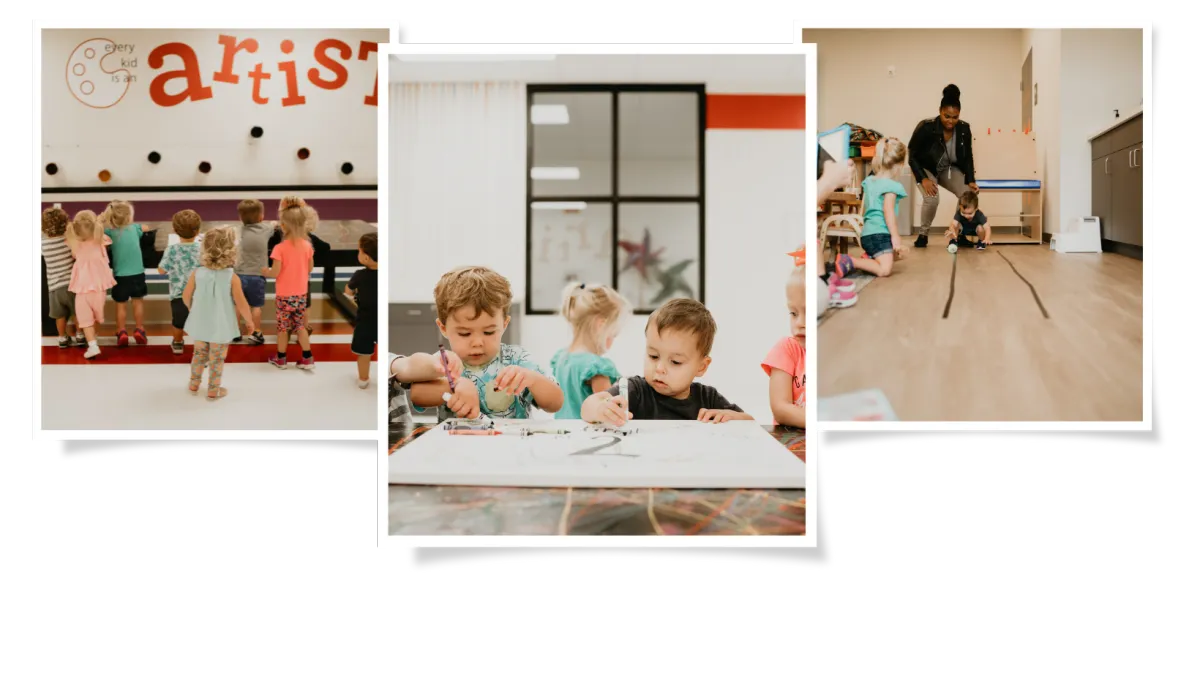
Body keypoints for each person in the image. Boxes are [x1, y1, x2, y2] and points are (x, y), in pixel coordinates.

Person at [409, 266, 564, 421]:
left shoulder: (516, 359)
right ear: (443, 328)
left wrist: (533, 380)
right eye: (465, 333)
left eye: (489, 332)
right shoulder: (444, 362)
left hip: (510, 444)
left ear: (504, 324)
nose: (477, 342)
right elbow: (417, 395)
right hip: (456, 444)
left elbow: (555, 403)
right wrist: (455, 385)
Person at [580, 298, 753, 425]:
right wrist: (599, 409)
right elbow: (587, 407)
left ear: (701, 366)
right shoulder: (636, 390)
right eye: (653, 356)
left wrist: (732, 417)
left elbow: (750, 423)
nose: (660, 368)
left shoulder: (708, 398)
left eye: (675, 362)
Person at [182, 227, 255, 400]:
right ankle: (214, 389)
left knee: (199, 354)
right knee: (216, 358)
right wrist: (249, 321)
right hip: (221, 325)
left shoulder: (197, 273)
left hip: (200, 321)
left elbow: (185, 296)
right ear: (232, 252)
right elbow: (241, 303)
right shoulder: (231, 277)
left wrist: (193, 310)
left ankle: (194, 384)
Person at [907, 84, 979, 248]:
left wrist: (971, 179)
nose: (950, 121)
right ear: (940, 111)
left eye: (955, 117)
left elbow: (968, 157)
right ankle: (923, 235)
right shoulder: (926, 127)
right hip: (926, 167)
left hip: (948, 168)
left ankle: (958, 234)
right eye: (947, 116)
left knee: (967, 193)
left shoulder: (964, 129)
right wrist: (923, 178)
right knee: (932, 198)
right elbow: (912, 155)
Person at [830, 138, 909, 280]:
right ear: (900, 165)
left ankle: (870, 257)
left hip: (867, 234)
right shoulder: (891, 186)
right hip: (880, 234)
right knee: (885, 270)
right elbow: (888, 211)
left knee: (902, 254)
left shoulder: (869, 182)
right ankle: (851, 261)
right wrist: (895, 235)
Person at [550, 283, 630, 419]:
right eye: (612, 335)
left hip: (563, 431)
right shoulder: (596, 366)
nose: (612, 340)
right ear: (601, 325)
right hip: (588, 434)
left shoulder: (561, 358)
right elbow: (609, 409)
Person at [762, 266, 806, 428]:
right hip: (792, 441)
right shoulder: (786, 349)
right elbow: (780, 409)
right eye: (793, 313)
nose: (800, 323)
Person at [158, 209, 203, 355]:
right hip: (201, 293)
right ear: (198, 231)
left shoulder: (171, 250)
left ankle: (178, 343)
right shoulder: (203, 249)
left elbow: (161, 270)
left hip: (179, 294)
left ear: (175, 230)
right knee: (201, 320)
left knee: (178, 321)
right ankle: (202, 345)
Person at [233, 199, 271, 345]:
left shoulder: (238, 230)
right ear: (261, 216)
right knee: (255, 306)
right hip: (257, 275)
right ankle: (255, 332)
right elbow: (276, 226)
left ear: (240, 217)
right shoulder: (266, 229)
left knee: (237, 304)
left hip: (238, 275)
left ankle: (235, 331)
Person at [346, 232, 379, 388]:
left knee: (364, 353)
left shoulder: (359, 275)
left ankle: (363, 379)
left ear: (366, 258)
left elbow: (348, 291)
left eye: (359, 251)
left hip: (365, 320)